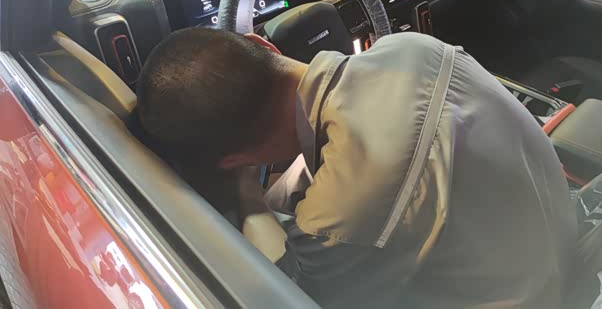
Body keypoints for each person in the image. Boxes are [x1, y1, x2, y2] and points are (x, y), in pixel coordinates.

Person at [138, 27, 576, 309]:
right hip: (558, 246)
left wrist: (246, 193)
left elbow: (295, 293)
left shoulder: (336, 218)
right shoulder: (412, 45)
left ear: (236, 158)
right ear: (263, 43)